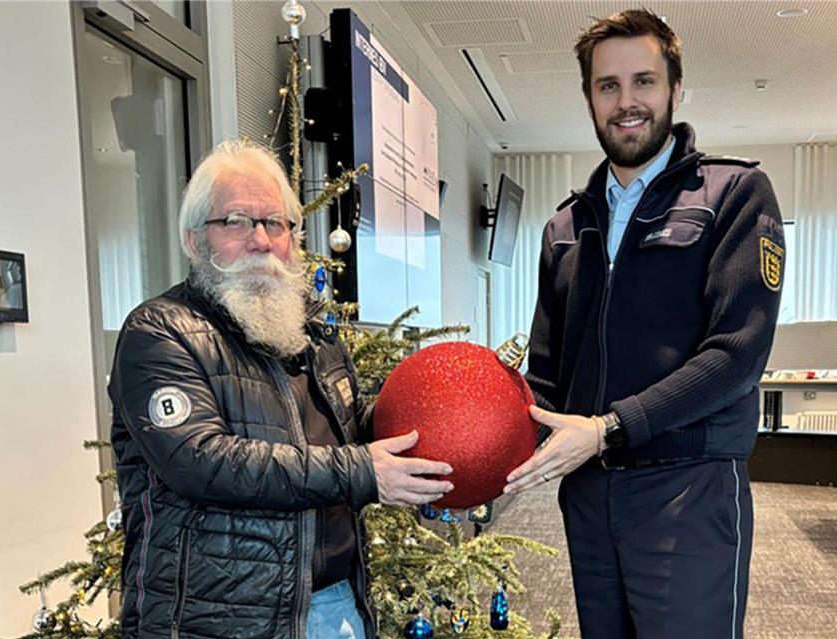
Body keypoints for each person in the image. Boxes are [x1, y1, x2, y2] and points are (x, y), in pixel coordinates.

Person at [504, 9, 784, 639]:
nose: (626, 102)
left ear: (674, 90)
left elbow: (737, 356)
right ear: (588, 98)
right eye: (608, 86)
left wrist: (609, 428)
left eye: (644, 82)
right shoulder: (565, 227)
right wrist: (477, 452)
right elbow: (546, 379)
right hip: (589, 499)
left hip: (688, 489)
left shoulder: (734, 195)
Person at [109, 139, 454, 639]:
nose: (261, 240)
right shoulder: (160, 331)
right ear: (193, 239)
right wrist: (361, 471)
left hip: (334, 605)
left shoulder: (312, 333)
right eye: (236, 221)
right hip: (217, 620)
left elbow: (354, 430)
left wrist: (444, 423)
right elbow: (202, 461)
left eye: (276, 223)